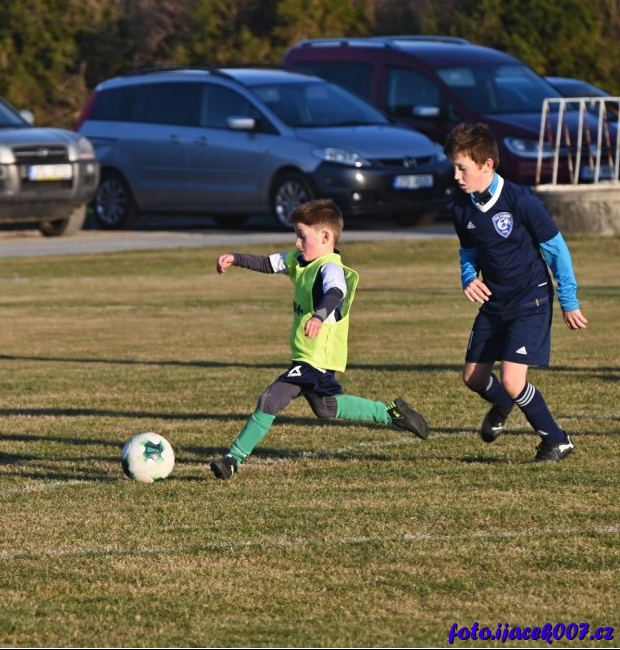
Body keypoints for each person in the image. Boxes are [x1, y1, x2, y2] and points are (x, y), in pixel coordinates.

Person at [209, 199, 429, 480]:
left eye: (302, 236)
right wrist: (236, 258)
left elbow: (335, 293)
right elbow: (267, 263)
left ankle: (232, 459)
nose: (298, 242)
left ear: (325, 237)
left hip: (318, 357)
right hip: (309, 355)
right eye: (297, 235)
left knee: (271, 398)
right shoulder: (300, 261)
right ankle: (391, 413)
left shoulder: (329, 267)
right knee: (325, 407)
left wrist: (319, 316)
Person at [444, 123, 588, 463]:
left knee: (511, 378)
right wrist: (468, 277)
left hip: (530, 300)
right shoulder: (461, 208)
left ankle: (557, 440)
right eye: (454, 167)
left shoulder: (521, 201)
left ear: (487, 165)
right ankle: (505, 402)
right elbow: (469, 251)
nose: (455, 176)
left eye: (462, 168)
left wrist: (568, 300)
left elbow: (556, 250)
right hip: (494, 304)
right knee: (473, 377)